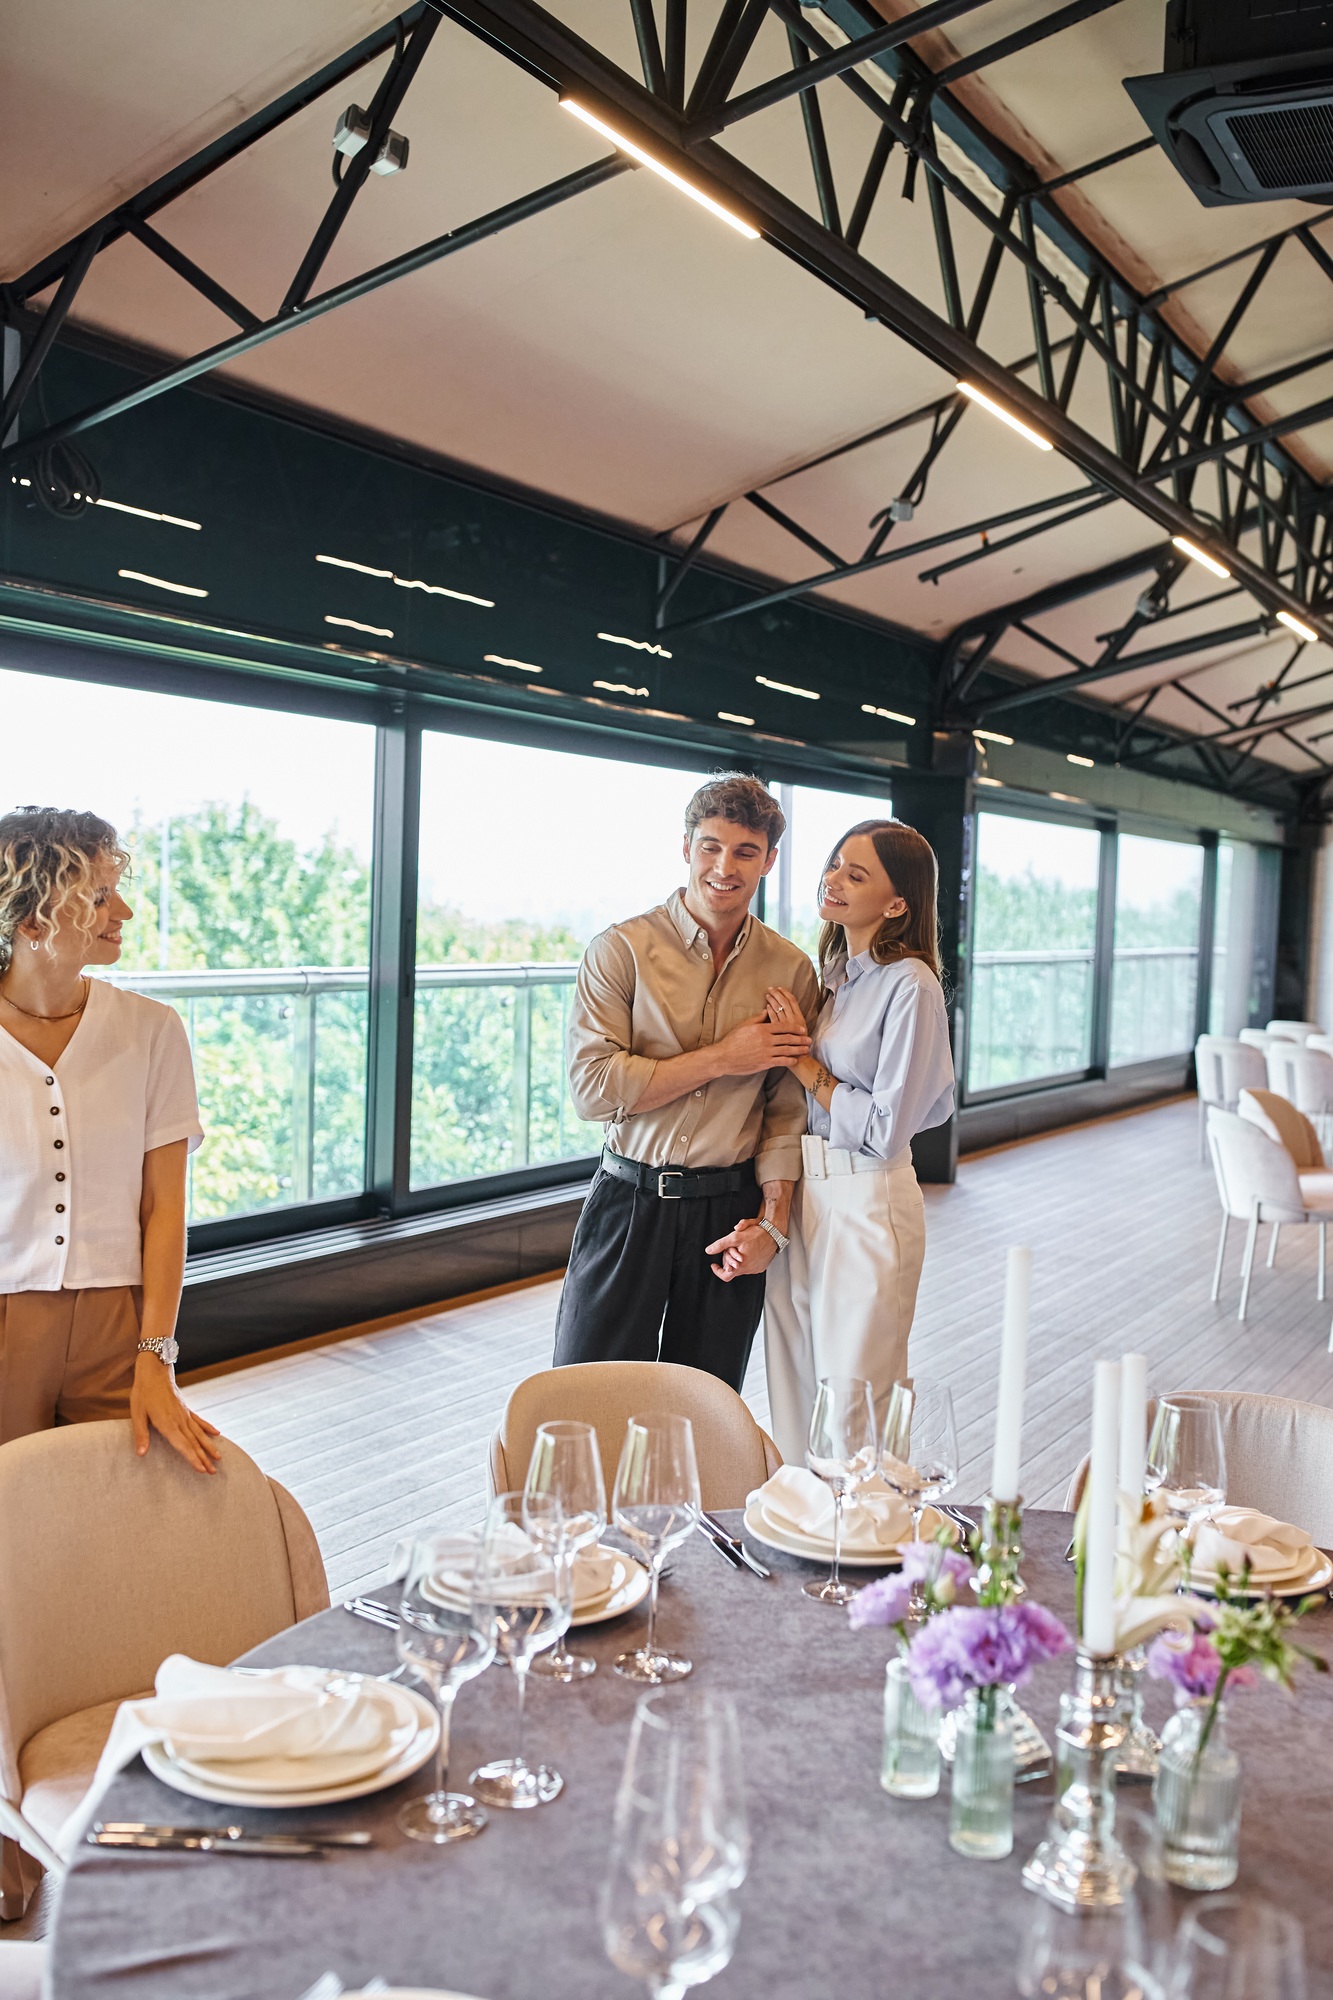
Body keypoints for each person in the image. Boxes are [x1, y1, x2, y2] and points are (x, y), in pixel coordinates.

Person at [555, 774, 819, 1391]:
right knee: (585, 1400)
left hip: (727, 1214)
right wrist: (726, 1056)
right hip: (627, 1206)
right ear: (685, 847)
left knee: (706, 1411)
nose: (724, 867)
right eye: (710, 846)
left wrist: (773, 1226)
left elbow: (786, 1109)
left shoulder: (790, 969)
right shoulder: (620, 950)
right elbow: (592, 1089)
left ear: (769, 861)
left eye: (745, 852)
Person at [0, 806, 221, 1471]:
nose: (121, 910)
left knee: (137, 1509)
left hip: (118, 1326)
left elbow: (165, 1210)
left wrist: (157, 1355)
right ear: (34, 917)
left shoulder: (151, 1030)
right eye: (96, 897)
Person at [755, 819, 955, 1464]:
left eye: (856, 874)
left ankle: (866, 1549)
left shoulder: (911, 986)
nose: (833, 879)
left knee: (854, 1406)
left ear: (898, 904)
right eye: (835, 864)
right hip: (810, 1194)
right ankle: (800, 1546)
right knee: (794, 1395)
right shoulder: (835, 976)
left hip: (869, 1200)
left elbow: (883, 1130)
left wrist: (802, 1061)